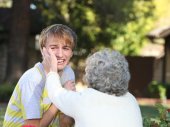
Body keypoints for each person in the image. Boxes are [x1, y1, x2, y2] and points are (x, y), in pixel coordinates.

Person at [43, 48, 143, 127]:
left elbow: (55, 93)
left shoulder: (85, 100)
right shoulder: (131, 100)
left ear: (91, 74)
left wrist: (52, 69)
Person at [3, 24, 77, 127]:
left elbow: (65, 123)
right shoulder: (33, 79)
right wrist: (61, 96)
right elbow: (33, 126)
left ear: (71, 53)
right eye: (53, 47)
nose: (60, 54)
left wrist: (70, 102)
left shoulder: (68, 73)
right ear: (43, 51)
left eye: (65, 48)